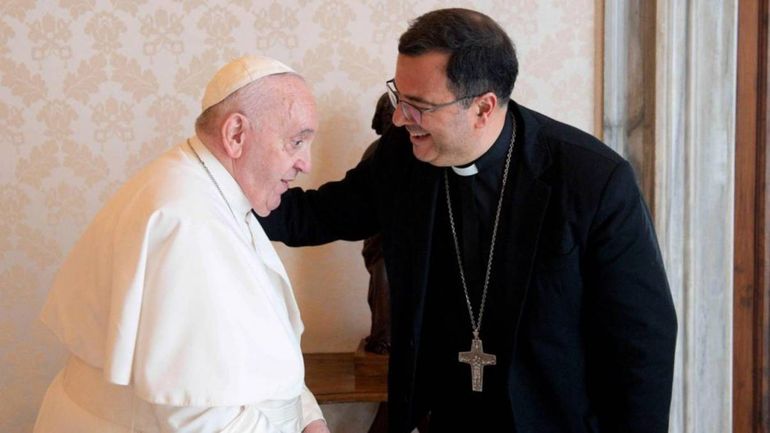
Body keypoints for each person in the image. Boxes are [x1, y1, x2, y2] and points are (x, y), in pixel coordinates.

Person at [259, 8, 677, 433]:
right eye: (398, 97)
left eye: (418, 106)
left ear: (483, 107)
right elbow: (313, 216)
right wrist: (218, 185)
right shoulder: (401, 158)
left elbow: (641, 343)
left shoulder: (593, 180)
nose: (400, 118)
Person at [33, 56, 330, 433]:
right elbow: (199, 416)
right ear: (236, 134)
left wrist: (308, 417)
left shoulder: (216, 193)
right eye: (296, 141)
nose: (305, 163)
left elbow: (266, 347)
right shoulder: (186, 221)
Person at [361, 93, 394, 355]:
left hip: (408, 239)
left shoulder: (421, 152)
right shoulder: (374, 152)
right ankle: (382, 337)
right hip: (381, 238)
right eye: (385, 115)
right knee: (382, 281)